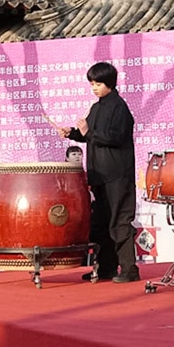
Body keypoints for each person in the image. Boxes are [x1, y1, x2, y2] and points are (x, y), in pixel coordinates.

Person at [62, 61, 138, 283]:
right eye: (92, 84)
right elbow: (89, 135)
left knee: (120, 222)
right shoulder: (96, 108)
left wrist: (88, 132)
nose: (94, 88)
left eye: (98, 84)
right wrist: (72, 133)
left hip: (117, 174)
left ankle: (129, 269)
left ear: (109, 83)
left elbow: (114, 137)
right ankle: (106, 267)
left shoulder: (119, 107)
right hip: (100, 175)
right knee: (101, 223)